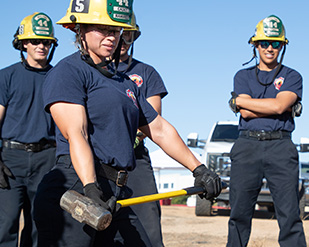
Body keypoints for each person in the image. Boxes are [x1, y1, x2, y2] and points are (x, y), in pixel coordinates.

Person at [33, 0, 222, 246]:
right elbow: (76, 134)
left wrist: (199, 169)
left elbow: (159, 129)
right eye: (103, 28)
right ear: (80, 29)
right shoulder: (68, 72)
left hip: (118, 190)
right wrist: (91, 189)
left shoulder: (125, 83)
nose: (111, 36)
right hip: (78, 186)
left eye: (116, 30)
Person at [227, 15, 306, 247]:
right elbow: (245, 114)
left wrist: (246, 102)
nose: (270, 48)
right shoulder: (242, 76)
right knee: (239, 214)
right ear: (255, 44)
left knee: (290, 214)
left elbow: (279, 105)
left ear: (283, 46)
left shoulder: (292, 76)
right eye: (264, 43)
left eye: (276, 43)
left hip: (280, 146)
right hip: (247, 146)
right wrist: (270, 106)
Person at [0, 12, 58, 247]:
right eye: (35, 41)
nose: (41, 46)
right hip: (10, 159)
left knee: (39, 225)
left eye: (46, 42)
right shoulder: (6, 76)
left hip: (48, 158)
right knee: (6, 224)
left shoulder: (60, 77)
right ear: (24, 43)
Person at [114, 14, 167, 247]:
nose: (123, 40)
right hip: (96, 161)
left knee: (149, 228)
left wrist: (131, 138)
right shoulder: (91, 70)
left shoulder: (146, 72)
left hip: (135, 158)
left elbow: (153, 117)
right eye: (118, 33)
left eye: (129, 34)